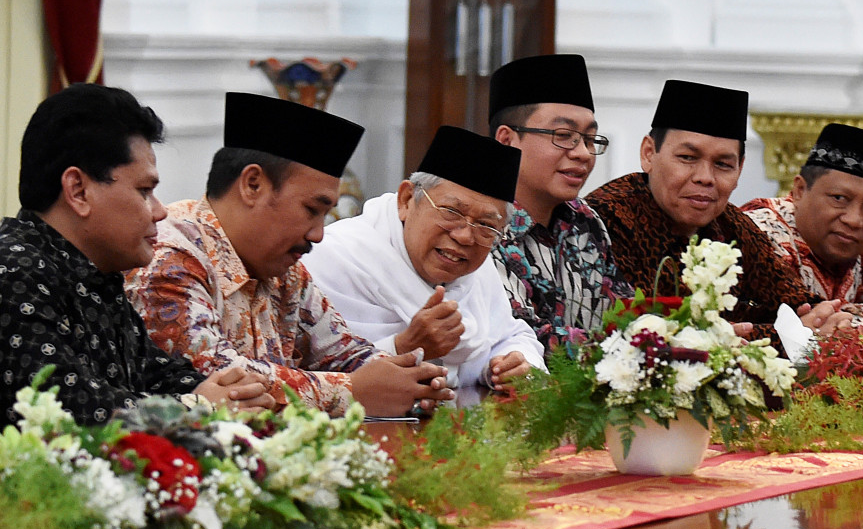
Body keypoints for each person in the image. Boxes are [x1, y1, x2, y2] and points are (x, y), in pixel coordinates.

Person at [126, 92, 452, 418]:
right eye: (312, 209)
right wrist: (352, 392)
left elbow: (343, 353)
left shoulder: (282, 266)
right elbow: (221, 381)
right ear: (252, 184)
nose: (318, 234)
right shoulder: (168, 259)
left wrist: (409, 380)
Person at [0, 84, 273, 425]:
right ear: (78, 190)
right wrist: (200, 408)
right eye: (144, 191)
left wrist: (232, 394)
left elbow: (158, 374)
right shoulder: (13, 271)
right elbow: (64, 411)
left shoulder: (96, 274)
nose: (159, 212)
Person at [584, 80, 851, 343]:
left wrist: (825, 319)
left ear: (739, 170)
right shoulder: (607, 218)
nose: (705, 178)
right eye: (687, 158)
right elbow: (651, 334)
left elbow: (798, 304)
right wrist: (790, 335)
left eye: (723, 164)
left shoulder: (731, 225)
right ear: (649, 154)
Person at [303, 126, 545, 392]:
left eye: (486, 226)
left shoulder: (478, 269)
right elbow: (306, 375)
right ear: (407, 200)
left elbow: (510, 335)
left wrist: (509, 364)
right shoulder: (331, 256)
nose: (465, 237)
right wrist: (404, 346)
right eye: (451, 212)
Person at [488, 54, 633, 350]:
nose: (583, 153)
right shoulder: (480, 224)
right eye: (564, 136)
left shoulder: (585, 221)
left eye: (590, 140)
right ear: (506, 141)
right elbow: (518, 338)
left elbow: (622, 314)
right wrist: (632, 349)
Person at [739, 123, 863, 316]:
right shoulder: (756, 234)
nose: (854, 220)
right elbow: (803, 320)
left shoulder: (854, 243)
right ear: (799, 191)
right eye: (839, 198)